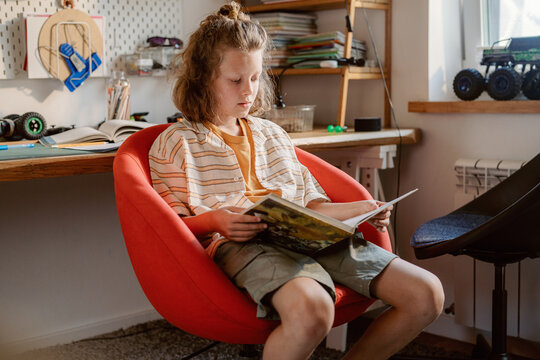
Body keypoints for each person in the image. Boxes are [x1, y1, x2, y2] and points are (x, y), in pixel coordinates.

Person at [149, 2, 444, 359]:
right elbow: (167, 228)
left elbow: (311, 206)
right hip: (243, 245)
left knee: (426, 294)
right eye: (235, 80)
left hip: (308, 237)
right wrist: (217, 220)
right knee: (314, 310)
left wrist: (362, 209)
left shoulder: (272, 135)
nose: (249, 91)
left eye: (256, 78)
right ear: (203, 77)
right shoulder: (176, 142)